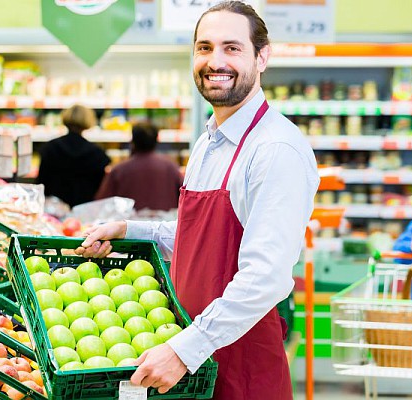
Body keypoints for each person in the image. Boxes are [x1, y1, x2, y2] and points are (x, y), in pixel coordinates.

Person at [75, 2, 319, 399]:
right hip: (189, 358)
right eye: (204, 48)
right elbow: (204, 238)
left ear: (262, 57)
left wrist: (184, 350)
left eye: (232, 48)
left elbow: (267, 276)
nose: (215, 61)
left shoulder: (276, 149)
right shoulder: (209, 141)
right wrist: (128, 230)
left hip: (237, 365)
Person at [95, 122, 183, 210]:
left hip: (128, 221)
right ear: (156, 140)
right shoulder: (171, 167)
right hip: (164, 221)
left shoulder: (119, 170)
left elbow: (102, 202)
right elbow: (184, 196)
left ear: (133, 140)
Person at [36, 104, 110, 207]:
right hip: (84, 209)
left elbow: (42, 182)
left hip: (54, 208)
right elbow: (100, 188)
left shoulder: (50, 148)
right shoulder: (97, 153)